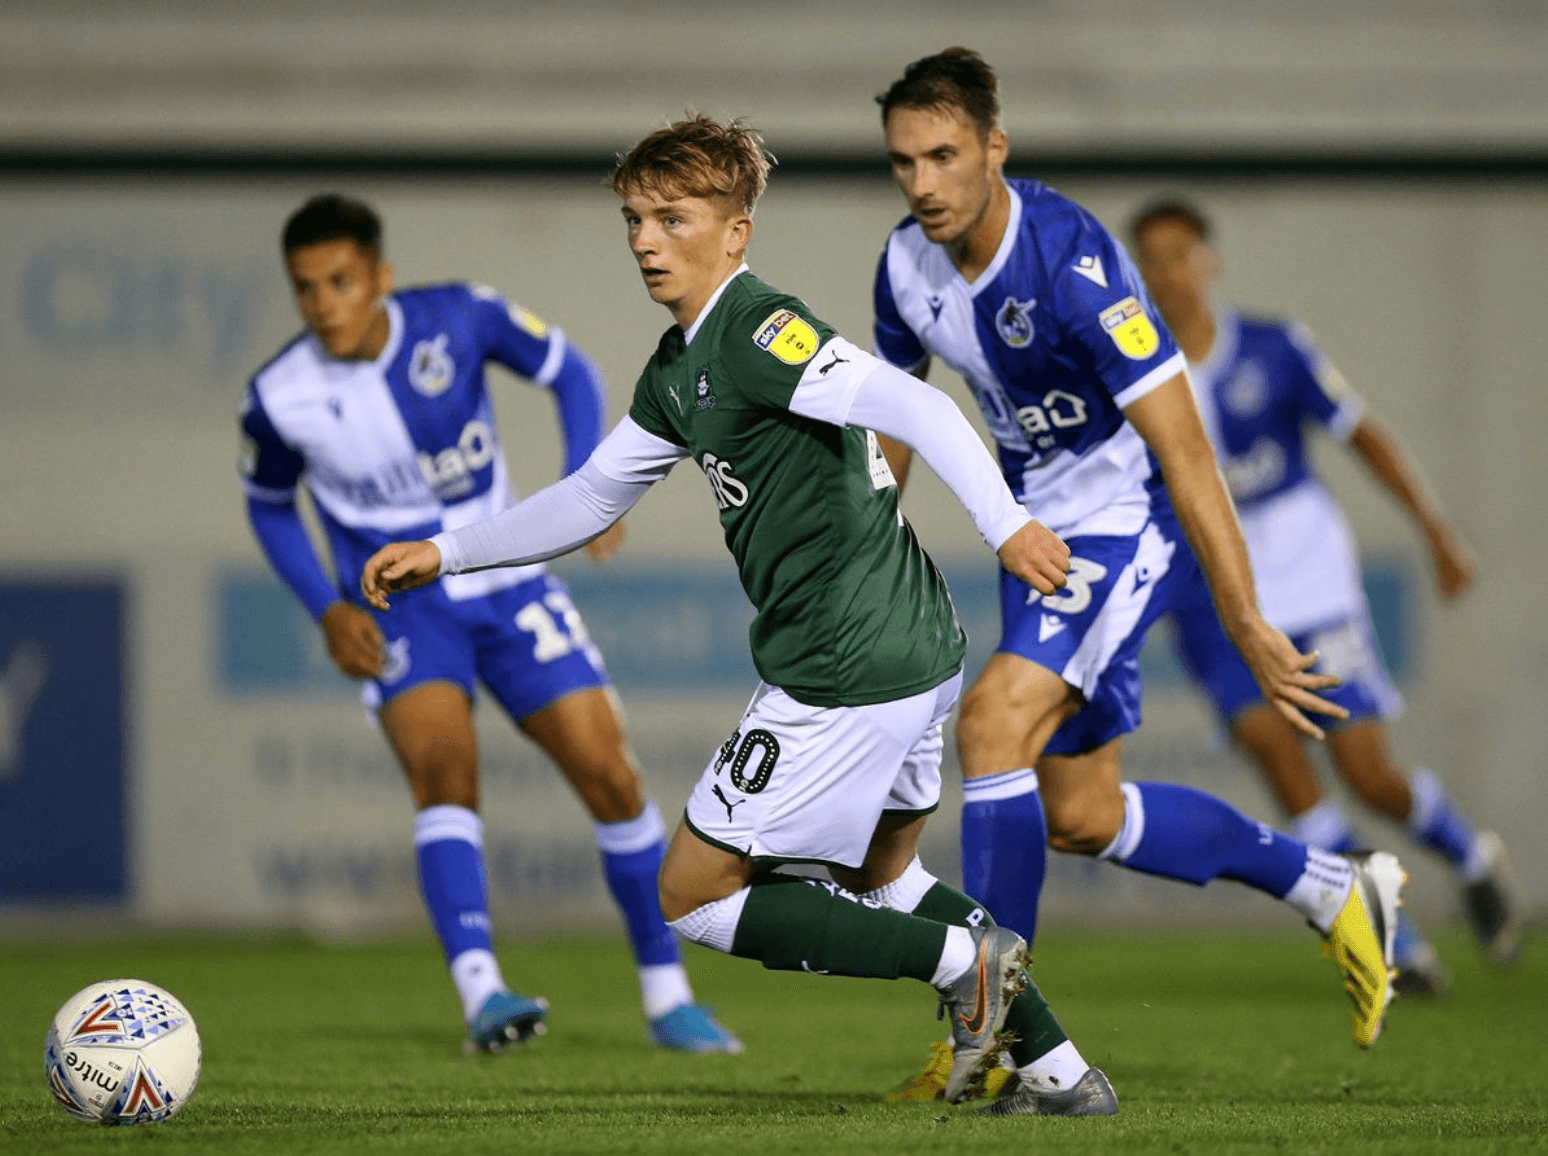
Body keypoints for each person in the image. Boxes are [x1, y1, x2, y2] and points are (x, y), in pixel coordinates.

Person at [361, 113, 1124, 1118]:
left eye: (672, 217)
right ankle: (1064, 1077)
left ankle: (962, 962)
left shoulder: (762, 332)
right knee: (886, 871)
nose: (644, 239)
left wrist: (1009, 525)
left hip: (847, 658)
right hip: (908, 637)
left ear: (736, 232)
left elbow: (923, 409)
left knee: (694, 891)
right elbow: (592, 496)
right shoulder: (682, 366)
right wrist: (448, 551)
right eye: (634, 218)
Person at [869, 46, 1406, 1071]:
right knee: (1080, 813)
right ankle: (1335, 888)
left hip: (1123, 519)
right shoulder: (905, 265)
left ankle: (993, 1040)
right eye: (904, 162)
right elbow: (894, 413)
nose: (924, 183)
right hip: (1032, 537)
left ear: (995, 147)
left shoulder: (1072, 261)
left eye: (944, 156)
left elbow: (1187, 446)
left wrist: (1245, 617)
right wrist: (871, 536)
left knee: (990, 728)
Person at [238, 193, 740, 1055]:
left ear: (379, 278)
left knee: (613, 780)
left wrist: (591, 480)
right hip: (404, 607)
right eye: (305, 289)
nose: (323, 304)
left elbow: (570, 370)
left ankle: (668, 998)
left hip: (507, 581)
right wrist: (327, 607)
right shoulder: (280, 396)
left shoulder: (459, 318)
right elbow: (270, 504)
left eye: (340, 281)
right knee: (444, 773)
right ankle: (484, 996)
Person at [1127, 196, 1520, 989]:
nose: (1168, 273)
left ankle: (1469, 855)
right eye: (1152, 259)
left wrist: (1437, 531)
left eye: (1180, 255)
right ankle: (1390, 936)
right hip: (1215, 586)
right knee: (1276, 753)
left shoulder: (1273, 348)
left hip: (1309, 573)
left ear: (1209, 262)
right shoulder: (1134, 369)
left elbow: (1362, 433)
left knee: (1368, 774)